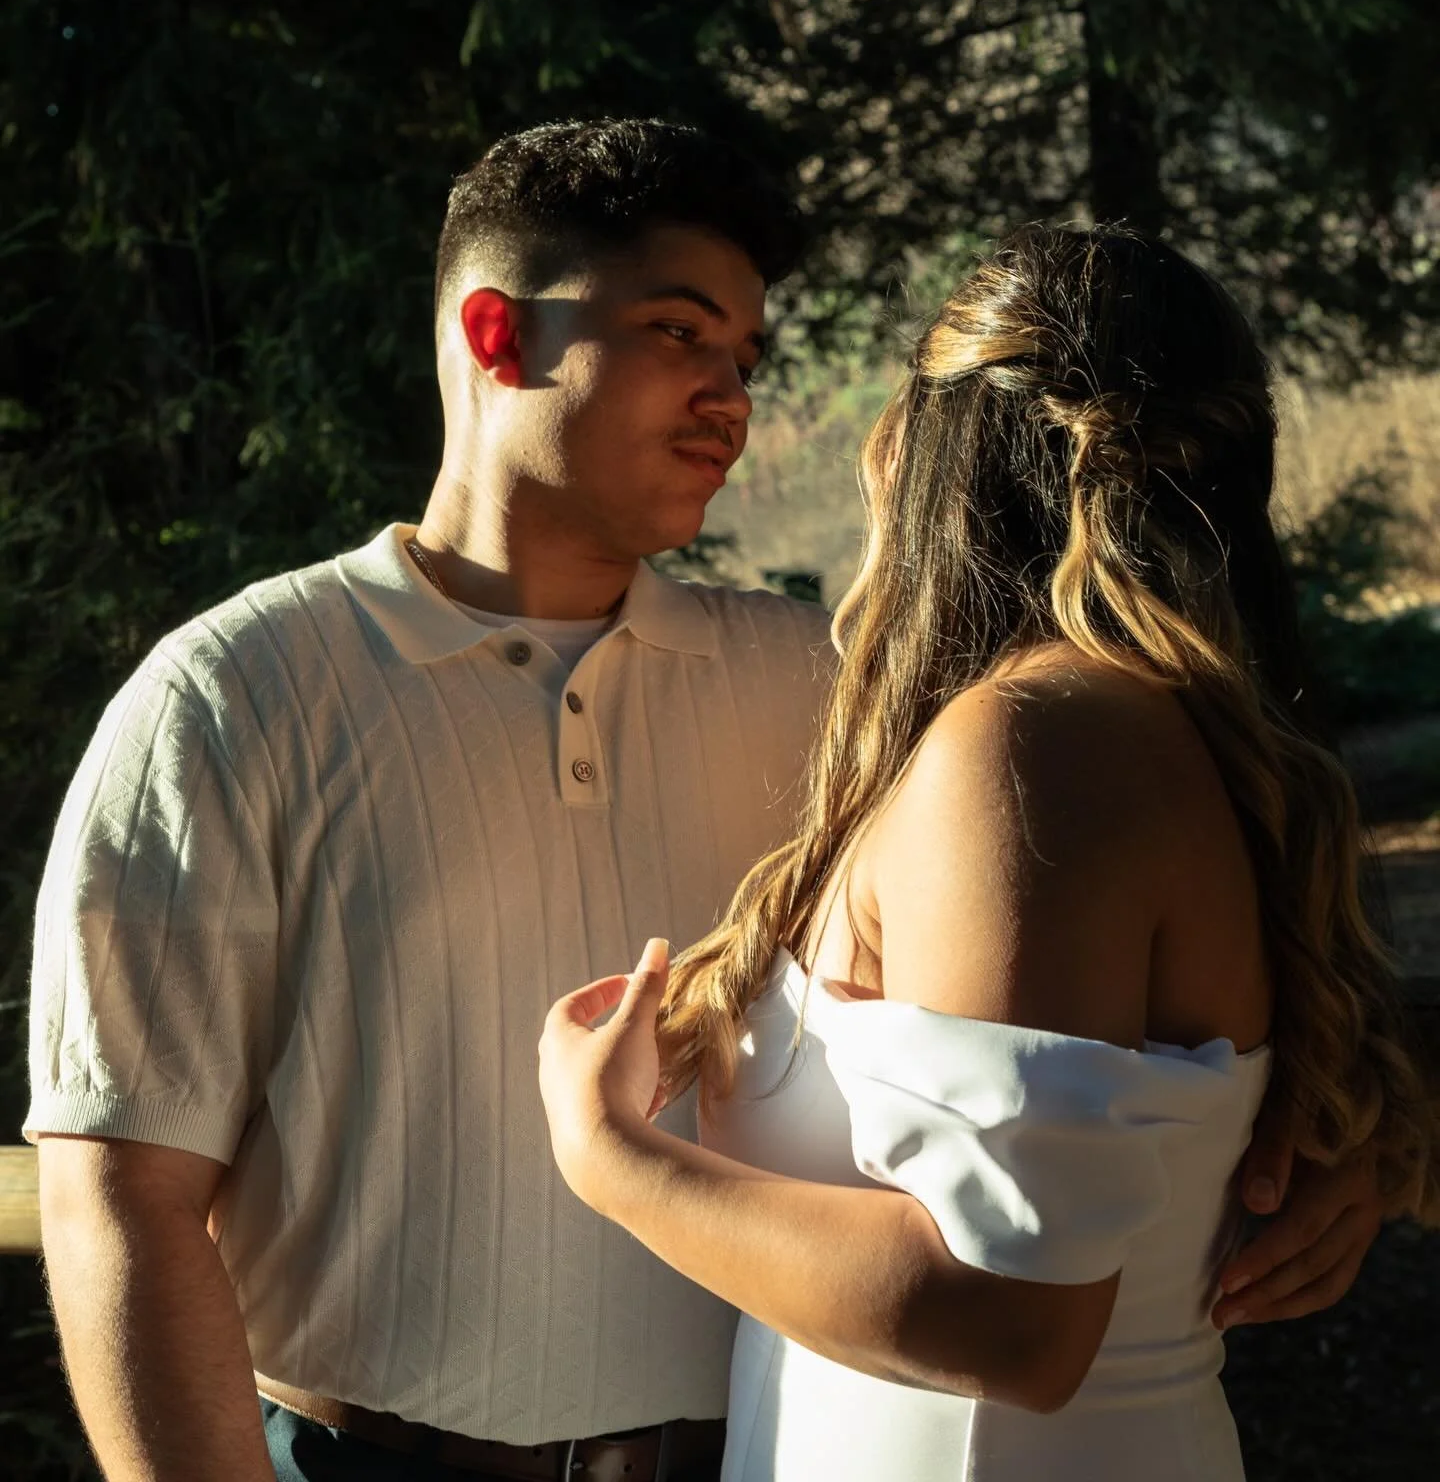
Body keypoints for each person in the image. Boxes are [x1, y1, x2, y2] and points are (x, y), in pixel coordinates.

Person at [26, 130, 1386, 1482]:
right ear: (496, 333)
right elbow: (121, 1188)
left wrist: (1344, 1125)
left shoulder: (840, 698)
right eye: (681, 333)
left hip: (746, 1451)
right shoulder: (228, 699)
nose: (731, 396)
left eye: (746, 359)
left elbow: (1140, 988)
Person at [538, 225, 1437, 1481]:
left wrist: (615, 1165)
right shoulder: (1096, 735)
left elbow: (1012, 1320)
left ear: (932, 452)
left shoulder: (1032, 749)